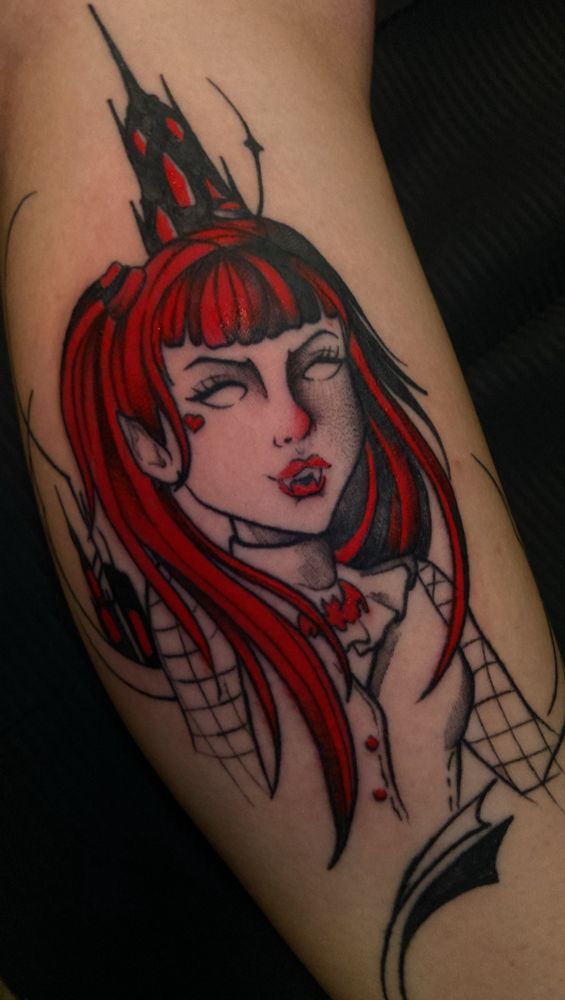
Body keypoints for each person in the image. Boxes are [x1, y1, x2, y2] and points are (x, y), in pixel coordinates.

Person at [2, 3, 564, 997]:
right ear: (149, 442)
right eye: (225, 387)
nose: (297, 418)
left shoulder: (417, 598)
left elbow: (521, 769)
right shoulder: (200, 655)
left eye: (318, 362)